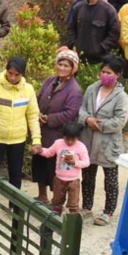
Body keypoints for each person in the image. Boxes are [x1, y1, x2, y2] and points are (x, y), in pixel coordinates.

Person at [78, 56, 128, 226]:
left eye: (109, 73)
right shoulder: (93, 89)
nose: (105, 75)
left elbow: (119, 121)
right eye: (103, 71)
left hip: (108, 144)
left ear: (118, 75)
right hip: (89, 140)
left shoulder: (121, 96)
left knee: (110, 179)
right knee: (88, 176)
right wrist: (86, 120)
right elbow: (82, 109)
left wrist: (98, 124)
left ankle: (108, 211)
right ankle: (86, 207)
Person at [34, 48, 84, 206]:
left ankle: (57, 201)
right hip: (41, 132)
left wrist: (48, 119)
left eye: (66, 66)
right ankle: (42, 195)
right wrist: (37, 114)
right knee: (39, 163)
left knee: (56, 170)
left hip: (58, 136)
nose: (62, 68)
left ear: (73, 68)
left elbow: (70, 113)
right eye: (60, 64)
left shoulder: (74, 90)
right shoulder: (50, 80)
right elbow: (38, 97)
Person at [0, 56, 40, 190]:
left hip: (18, 139)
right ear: (6, 70)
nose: (13, 77)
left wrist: (36, 139)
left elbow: (32, 116)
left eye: (17, 75)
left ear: (22, 74)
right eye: (10, 73)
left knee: (15, 175)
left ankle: (15, 208)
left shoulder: (28, 90)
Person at [32, 121, 89, 216]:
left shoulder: (81, 147)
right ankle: (55, 220)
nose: (70, 142)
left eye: (73, 139)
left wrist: (75, 163)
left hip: (73, 180)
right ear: (63, 136)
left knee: (73, 204)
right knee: (57, 203)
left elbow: (86, 162)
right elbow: (49, 153)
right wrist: (40, 151)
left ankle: (72, 224)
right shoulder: (58, 143)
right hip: (59, 179)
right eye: (67, 139)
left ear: (77, 137)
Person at [68, 0, 121, 67]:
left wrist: (101, 48)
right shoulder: (78, 7)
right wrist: (74, 44)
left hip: (99, 59)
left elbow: (114, 33)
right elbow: (71, 29)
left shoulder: (109, 10)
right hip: (79, 57)